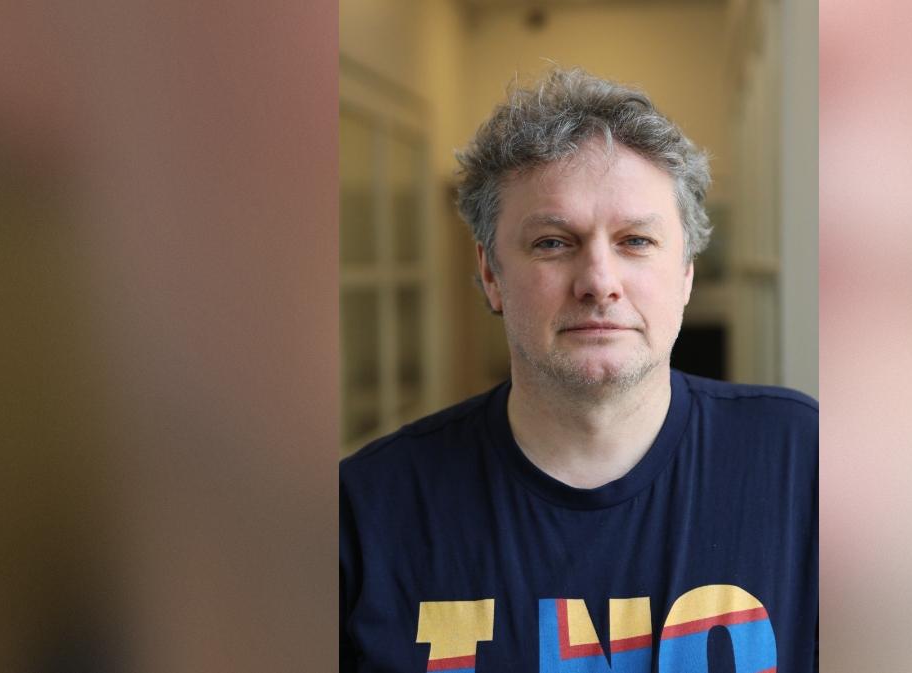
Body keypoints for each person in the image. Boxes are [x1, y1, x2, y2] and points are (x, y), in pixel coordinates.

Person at [340, 68, 817, 673]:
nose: (598, 282)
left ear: (686, 273)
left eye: (636, 241)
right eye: (552, 242)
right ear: (490, 274)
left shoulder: (807, 466)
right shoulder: (365, 513)